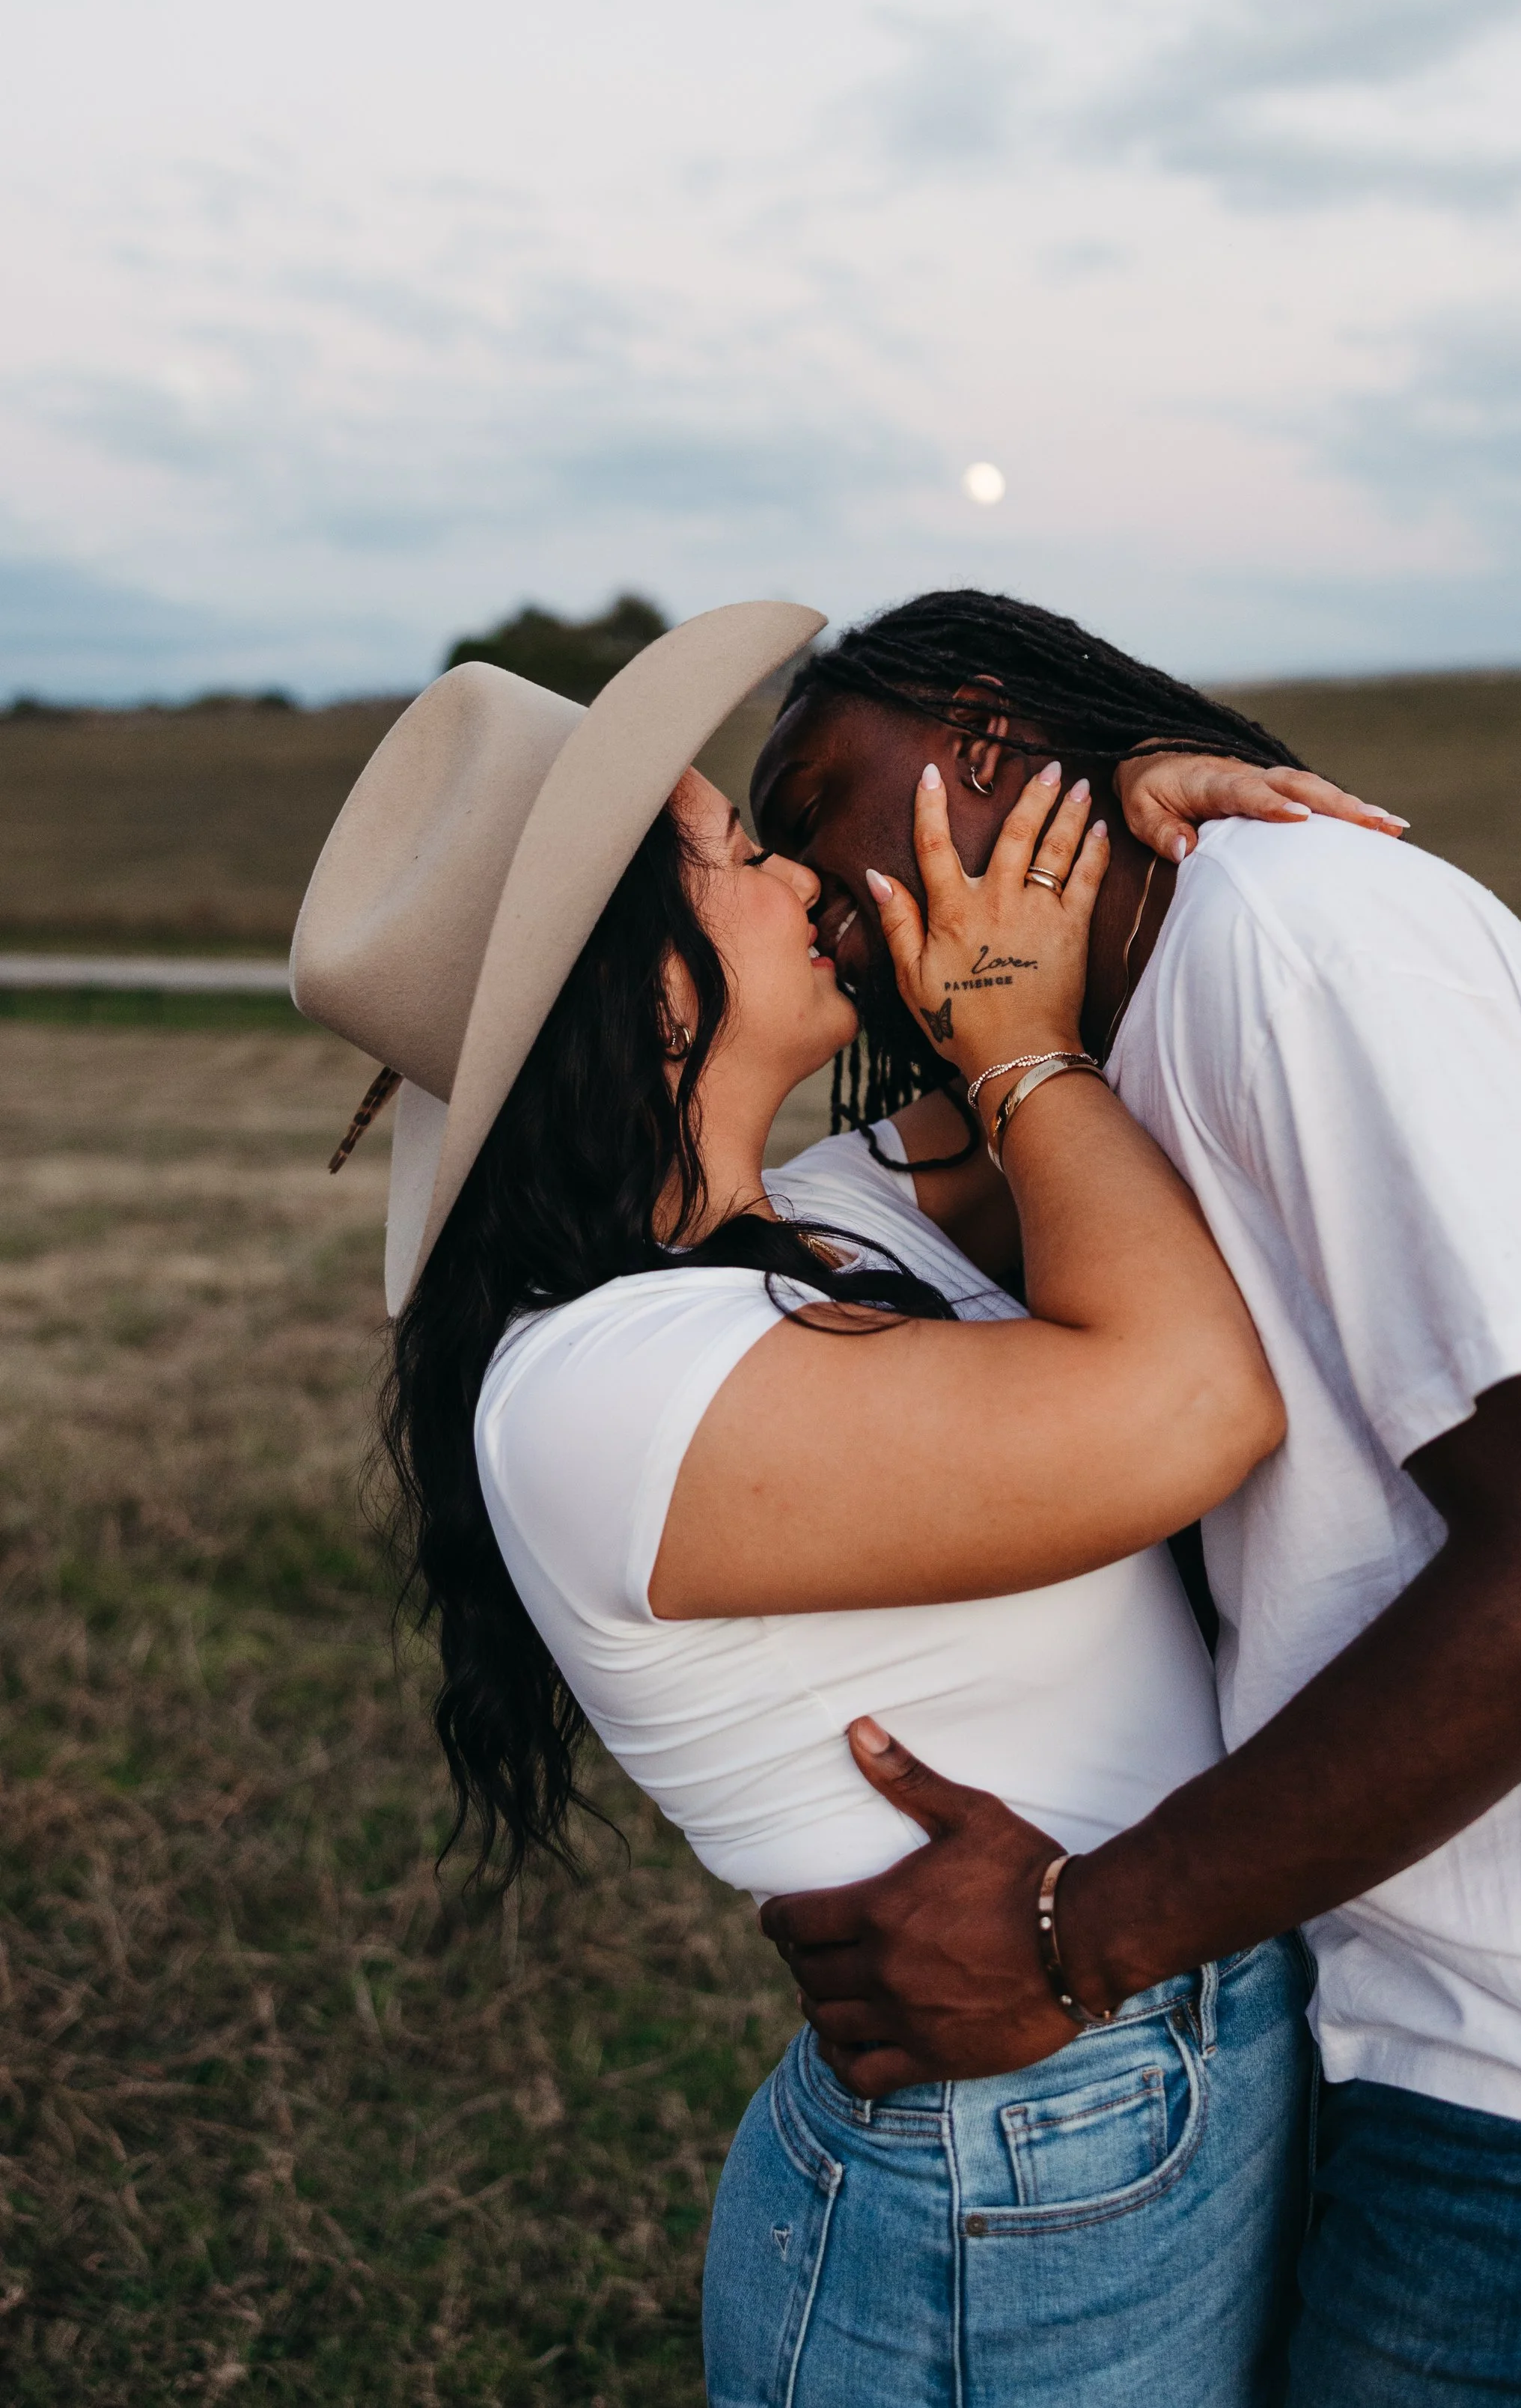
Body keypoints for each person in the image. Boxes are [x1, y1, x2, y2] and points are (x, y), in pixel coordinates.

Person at [750, 587, 1521, 2408]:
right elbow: (780, 1224)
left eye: (811, 807)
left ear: (975, 730)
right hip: (1387, 2015)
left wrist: (1071, 1938)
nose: (808, 886)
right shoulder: (1110, 1038)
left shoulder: (1299, 937)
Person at [288, 600, 1400, 2408]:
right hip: (1009, 2165)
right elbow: (1191, 1402)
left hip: (1106, 2085)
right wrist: (1014, 1052)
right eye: (734, 851)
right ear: (639, 983)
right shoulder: (601, 1391)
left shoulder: (813, 1233)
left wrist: (1113, 789)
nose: (802, 874)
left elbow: (1040, 1065)